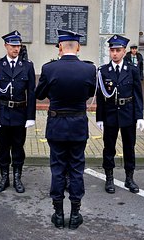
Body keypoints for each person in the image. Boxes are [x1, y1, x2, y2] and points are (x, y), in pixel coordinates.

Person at [36, 29, 96, 229]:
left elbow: (39, 94)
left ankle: (59, 214)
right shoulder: (89, 69)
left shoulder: (49, 68)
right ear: (78, 47)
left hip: (57, 127)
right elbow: (89, 93)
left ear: (60, 46)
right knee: (76, 169)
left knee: (58, 169)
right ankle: (76, 214)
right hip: (78, 126)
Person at [0, 30, 36, 193]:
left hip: (20, 113)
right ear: (6, 46)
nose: (16, 48)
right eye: (12, 45)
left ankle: (17, 177)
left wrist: (31, 116)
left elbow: (31, 92)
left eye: (18, 45)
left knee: (18, 147)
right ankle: (4, 177)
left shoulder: (28, 66)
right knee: (2, 147)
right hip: (2, 113)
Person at [96, 35, 144, 194]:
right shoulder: (103, 71)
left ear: (124, 51)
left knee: (129, 147)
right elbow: (100, 97)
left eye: (118, 50)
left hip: (128, 114)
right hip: (110, 115)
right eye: (112, 50)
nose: (115, 53)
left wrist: (139, 116)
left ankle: (129, 178)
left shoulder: (132, 70)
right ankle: (109, 178)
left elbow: (137, 95)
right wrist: (99, 118)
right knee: (109, 148)